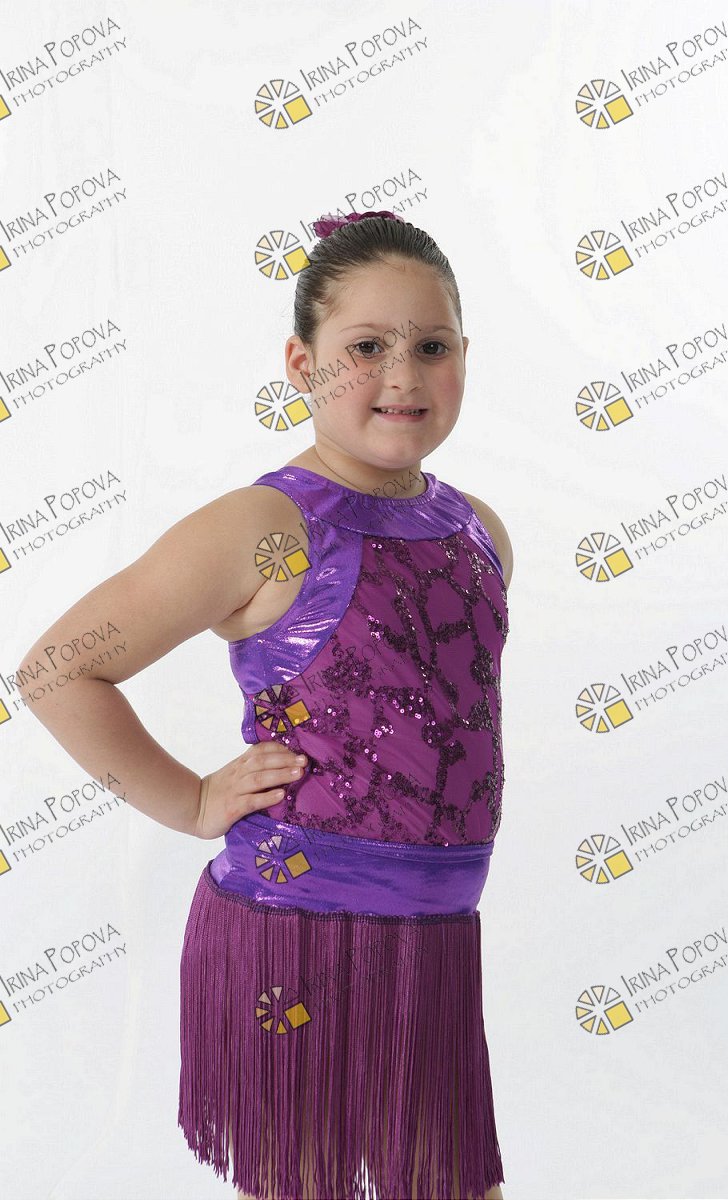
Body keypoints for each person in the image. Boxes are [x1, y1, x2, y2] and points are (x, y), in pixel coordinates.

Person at [17, 209, 514, 1200]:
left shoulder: (478, 531)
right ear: (301, 365)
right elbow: (56, 672)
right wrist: (193, 801)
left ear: (465, 355)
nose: (402, 375)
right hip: (296, 929)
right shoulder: (270, 526)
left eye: (431, 346)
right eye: (365, 348)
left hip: (436, 937)